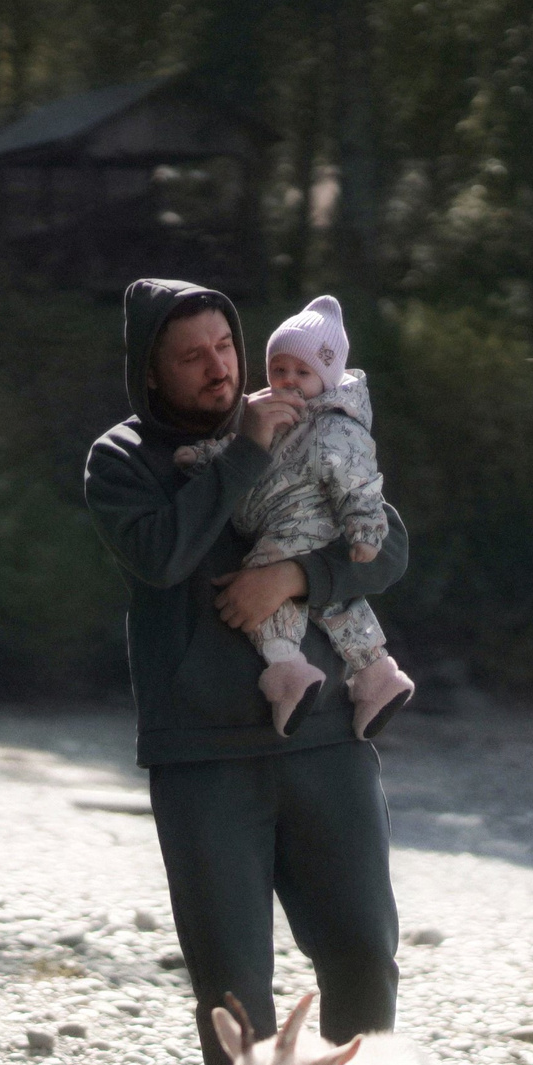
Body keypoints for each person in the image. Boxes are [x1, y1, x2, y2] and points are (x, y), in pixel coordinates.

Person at [81, 279, 408, 1065]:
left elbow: (387, 544)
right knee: (234, 988)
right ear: (151, 371)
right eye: (192, 354)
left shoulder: (308, 411)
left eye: (225, 344)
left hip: (323, 742)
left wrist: (296, 575)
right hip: (203, 759)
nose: (220, 366)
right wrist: (244, 456)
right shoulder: (122, 459)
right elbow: (164, 555)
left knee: (363, 955)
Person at [195, 294, 414, 737]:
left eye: (303, 372)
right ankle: (376, 672)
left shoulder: (336, 427)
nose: (289, 381)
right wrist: (203, 456)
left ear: (326, 379)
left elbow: (359, 482)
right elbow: (238, 445)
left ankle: (286, 670)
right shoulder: (267, 411)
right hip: (279, 520)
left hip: (301, 523)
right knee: (335, 603)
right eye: (280, 369)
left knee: (262, 577)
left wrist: (365, 530)